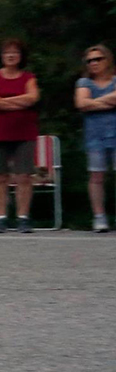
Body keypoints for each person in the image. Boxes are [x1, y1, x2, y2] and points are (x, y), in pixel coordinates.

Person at [0, 39, 40, 233]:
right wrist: (18, 102)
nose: (10, 55)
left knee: (24, 175)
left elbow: (32, 98)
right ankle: (0, 217)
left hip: (24, 132)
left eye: (15, 52)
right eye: (7, 52)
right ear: (1, 56)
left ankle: (23, 217)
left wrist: (4, 101)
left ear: (21, 56)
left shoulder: (29, 78)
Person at [74, 44, 116, 232]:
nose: (94, 63)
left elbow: (88, 104)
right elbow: (81, 104)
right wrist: (108, 101)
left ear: (107, 60)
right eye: (90, 60)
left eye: (98, 59)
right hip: (95, 136)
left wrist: (94, 102)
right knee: (96, 175)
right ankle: (99, 216)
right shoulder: (84, 83)